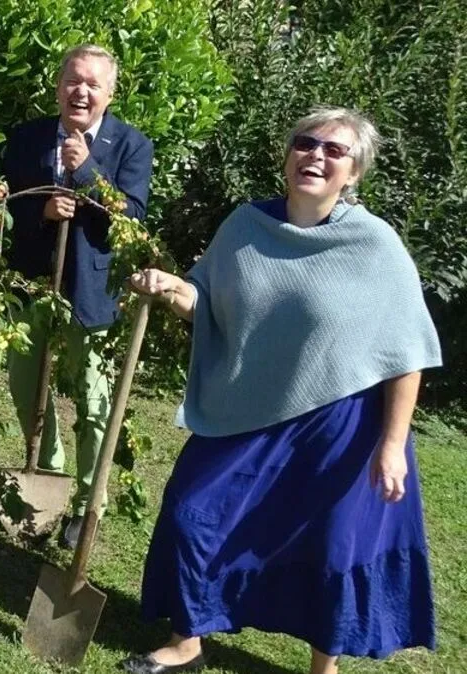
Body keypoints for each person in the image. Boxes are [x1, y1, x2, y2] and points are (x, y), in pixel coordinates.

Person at [122, 107, 441, 674]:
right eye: (305, 143)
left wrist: (392, 445)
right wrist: (174, 287)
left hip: (340, 424)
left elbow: (407, 352)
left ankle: (325, 665)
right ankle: (187, 643)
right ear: (288, 154)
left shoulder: (375, 245)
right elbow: (209, 300)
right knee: (192, 513)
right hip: (246, 411)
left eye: (333, 151)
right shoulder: (246, 227)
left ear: (354, 174)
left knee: (330, 545)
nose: (315, 155)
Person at [2, 44, 153, 548]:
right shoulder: (27, 139)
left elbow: (131, 218)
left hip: (91, 293)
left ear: (109, 94)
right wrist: (40, 214)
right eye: (73, 80)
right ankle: (49, 475)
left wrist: (86, 170)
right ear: (58, 85)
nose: (81, 92)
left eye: (93, 84)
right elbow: (7, 209)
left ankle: (89, 502)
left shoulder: (131, 146)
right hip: (32, 286)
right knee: (28, 390)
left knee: (93, 402)